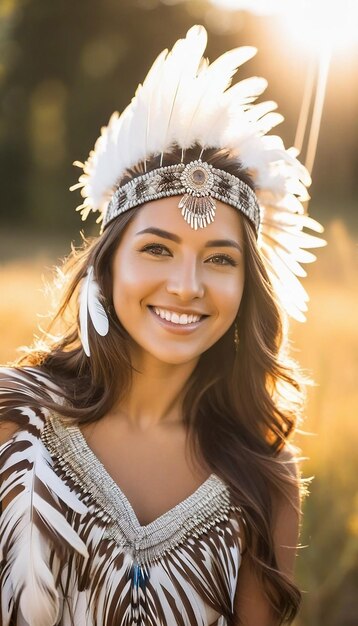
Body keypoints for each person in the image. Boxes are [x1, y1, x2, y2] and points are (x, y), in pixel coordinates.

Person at [0, 25, 326, 626]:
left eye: (220, 259)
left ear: (247, 288)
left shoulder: (264, 478)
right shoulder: (13, 419)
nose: (186, 285)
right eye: (157, 249)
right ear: (109, 263)